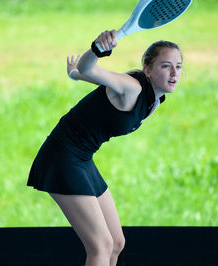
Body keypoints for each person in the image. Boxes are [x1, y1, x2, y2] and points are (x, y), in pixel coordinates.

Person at [27, 29, 183, 266]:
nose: (174, 73)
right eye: (166, 66)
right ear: (148, 69)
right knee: (100, 246)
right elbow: (89, 67)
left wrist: (76, 75)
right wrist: (97, 49)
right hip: (62, 156)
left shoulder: (155, 97)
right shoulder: (133, 87)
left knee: (117, 243)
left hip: (82, 157)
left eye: (178, 66)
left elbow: (96, 77)